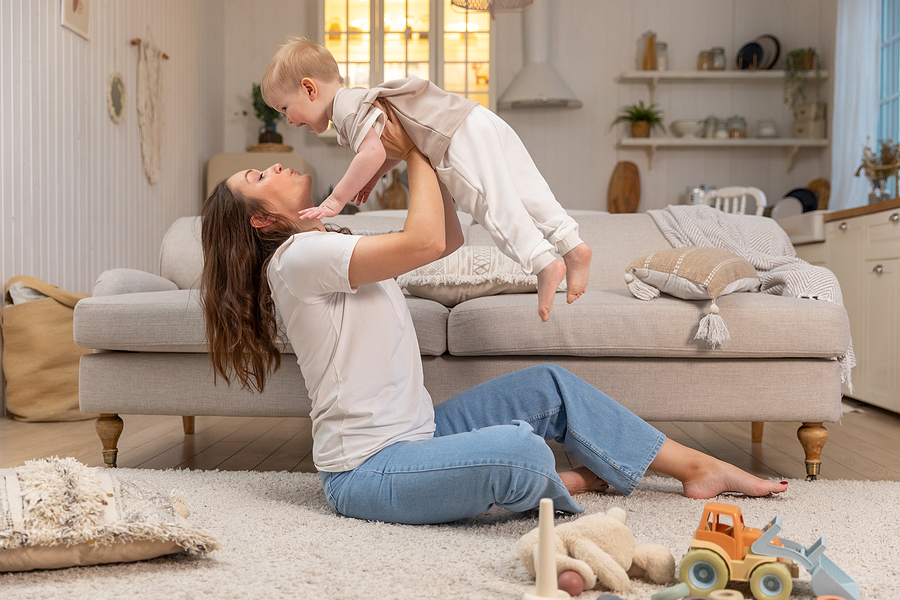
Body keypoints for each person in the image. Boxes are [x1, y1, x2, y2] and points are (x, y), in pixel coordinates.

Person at [199, 101, 787, 526]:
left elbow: (447, 238)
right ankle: (569, 481)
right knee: (522, 450)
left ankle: (695, 468)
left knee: (549, 386)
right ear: (261, 221)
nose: (273, 167)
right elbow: (425, 241)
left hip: (418, 434)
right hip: (367, 473)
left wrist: (421, 147)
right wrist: (413, 147)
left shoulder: (328, 243)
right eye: (259, 176)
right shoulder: (298, 259)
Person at [260, 37, 591, 322]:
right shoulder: (358, 99)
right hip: (474, 118)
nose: (287, 120)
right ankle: (571, 245)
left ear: (309, 88)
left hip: (454, 136)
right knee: (527, 189)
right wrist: (374, 176)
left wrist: (336, 199)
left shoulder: (345, 110)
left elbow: (373, 152)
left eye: (285, 108)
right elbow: (388, 148)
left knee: (492, 202)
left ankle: (542, 262)